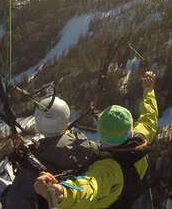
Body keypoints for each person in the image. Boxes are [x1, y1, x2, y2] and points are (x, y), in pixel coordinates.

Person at [33, 71, 158, 209]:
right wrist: (149, 90)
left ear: (100, 134)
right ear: (130, 128)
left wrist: (62, 192)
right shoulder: (141, 139)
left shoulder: (108, 168)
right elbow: (149, 117)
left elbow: (90, 186)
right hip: (142, 198)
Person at [0, 96, 99, 209]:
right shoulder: (83, 143)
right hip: (61, 195)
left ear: (39, 122)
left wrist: (20, 156)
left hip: (34, 200)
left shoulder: (36, 155)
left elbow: (20, 192)